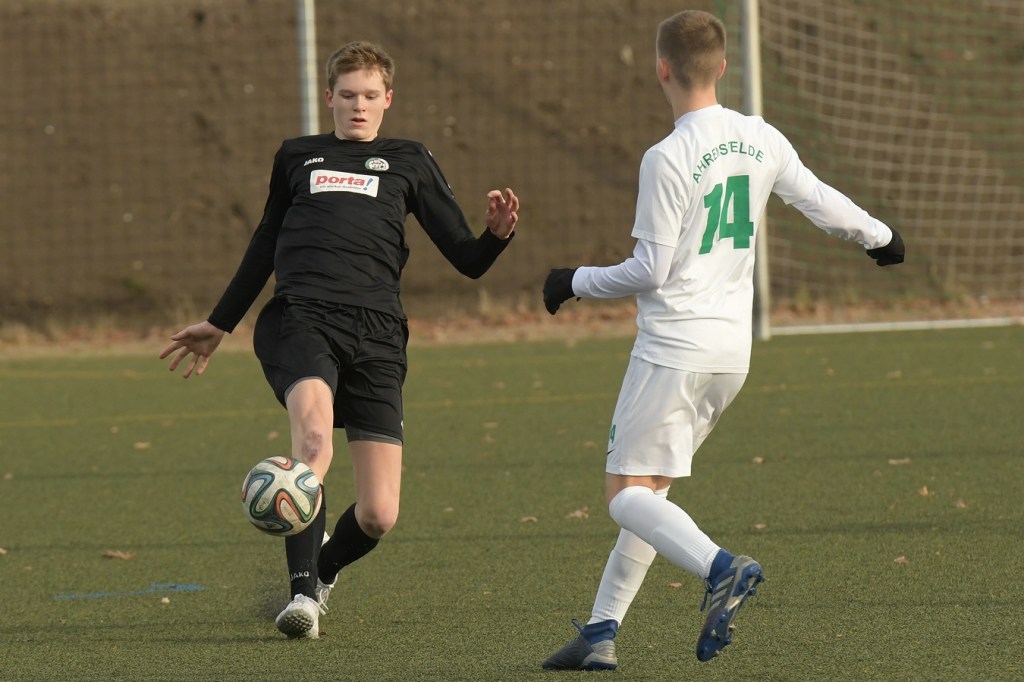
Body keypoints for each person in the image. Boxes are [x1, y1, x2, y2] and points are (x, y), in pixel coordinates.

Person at [540, 9, 904, 670]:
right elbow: (817, 198)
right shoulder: (758, 136)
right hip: (731, 355)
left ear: (661, 69)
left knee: (625, 496)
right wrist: (879, 236)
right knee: (650, 495)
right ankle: (599, 632)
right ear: (724, 67)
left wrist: (574, 280)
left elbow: (650, 270)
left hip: (672, 351)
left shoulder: (667, 156)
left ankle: (720, 567)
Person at [160, 41, 519, 640]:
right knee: (313, 442)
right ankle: (302, 597)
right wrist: (221, 322)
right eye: (348, 94)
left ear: (388, 100)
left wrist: (497, 236)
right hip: (303, 319)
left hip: (379, 335)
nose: (358, 105)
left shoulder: (409, 159)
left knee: (379, 514)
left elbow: (467, 259)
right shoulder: (296, 155)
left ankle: (323, 569)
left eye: (370, 96)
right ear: (329, 96)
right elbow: (265, 241)